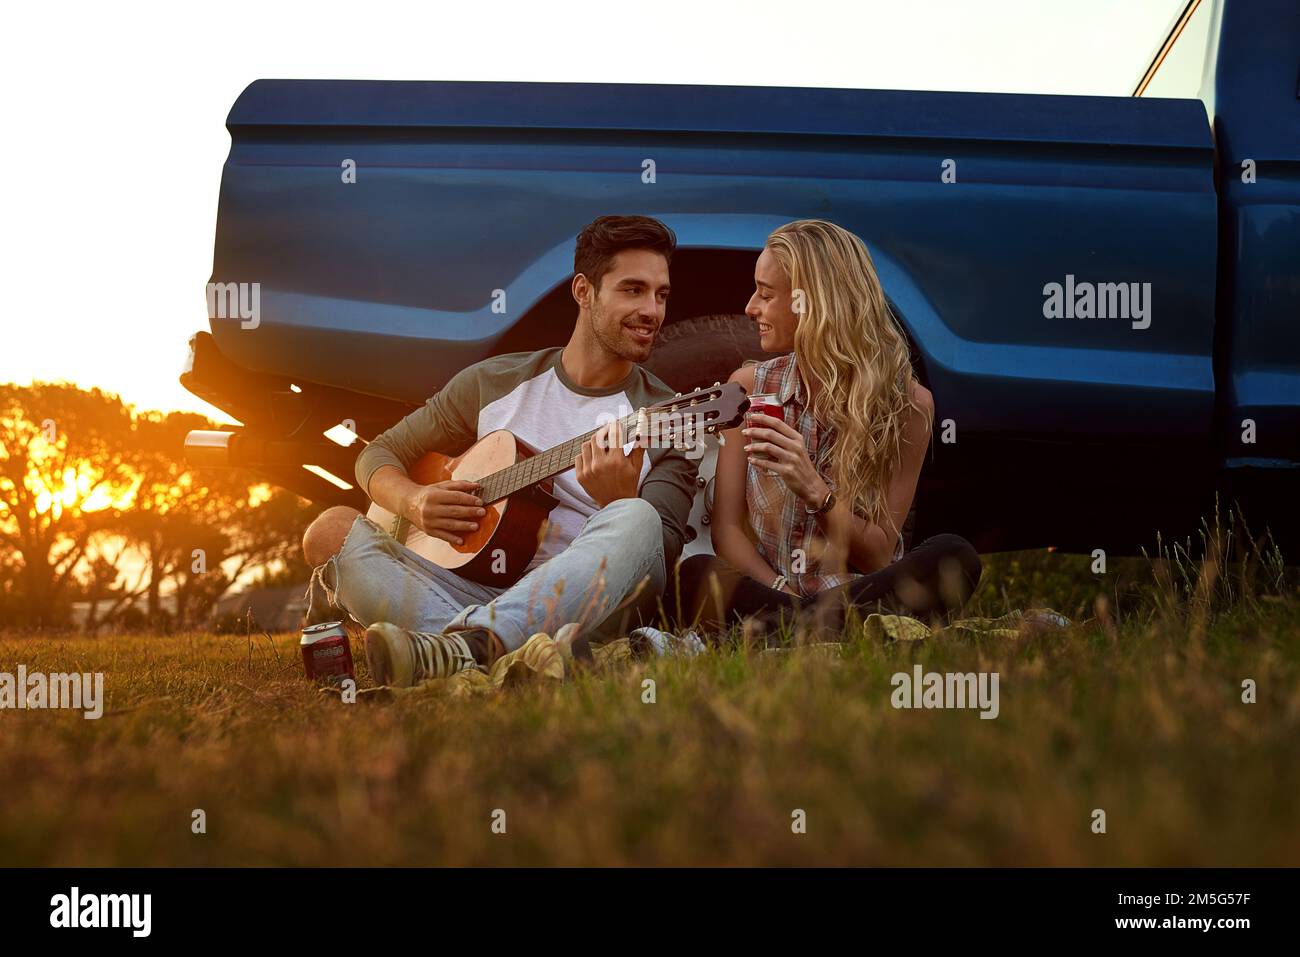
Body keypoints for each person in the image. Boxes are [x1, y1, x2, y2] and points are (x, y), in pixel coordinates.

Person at [300, 215, 697, 686]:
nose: (651, 310)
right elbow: (379, 453)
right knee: (331, 530)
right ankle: (495, 652)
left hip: (585, 606)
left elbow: (662, 549)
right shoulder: (494, 383)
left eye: (661, 295)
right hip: (471, 586)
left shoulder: (672, 417)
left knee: (639, 518)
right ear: (583, 291)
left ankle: (460, 649)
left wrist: (618, 500)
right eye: (632, 290)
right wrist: (415, 501)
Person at [669, 219, 981, 639]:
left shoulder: (908, 406)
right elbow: (726, 531)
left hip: (858, 589)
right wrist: (783, 592)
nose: (749, 307)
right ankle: (831, 630)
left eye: (765, 293)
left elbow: (877, 555)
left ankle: (786, 634)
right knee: (695, 573)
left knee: (954, 556)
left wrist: (812, 487)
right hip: (772, 592)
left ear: (810, 303)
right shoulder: (748, 388)